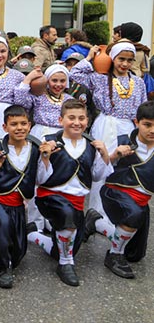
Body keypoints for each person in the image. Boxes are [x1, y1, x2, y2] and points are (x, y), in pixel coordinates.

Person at [28, 99, 112, 286]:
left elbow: (97, 176)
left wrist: (105, 154)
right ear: (61, 120)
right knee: (67, 226)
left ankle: (32, 235)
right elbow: (40, 179)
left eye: (81, 118)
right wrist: (45, 156)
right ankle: (65, 265)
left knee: (66, 246)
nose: (77, 122)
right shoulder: (50, 141)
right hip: (50, 196)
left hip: (77, 202)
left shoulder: (91, 145)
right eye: (71, 118)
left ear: (87, 121)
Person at [70, 42, 146, 215]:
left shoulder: (138, 82)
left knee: (124, 167)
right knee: (103, 164)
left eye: (129, 60)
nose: (125, 64)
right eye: (121, 59)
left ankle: (118, 211)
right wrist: (90, 57)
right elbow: (74, 73)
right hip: (106, 124)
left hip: (128, 127)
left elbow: (142, 109)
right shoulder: (100, 78)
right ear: (112, 58)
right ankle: (96, 211)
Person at [87, 101, 154, 279]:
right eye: (147, 125)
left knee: (135, 255)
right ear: (136, 122)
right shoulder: (123, 141)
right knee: (133, 216)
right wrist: (115, 154)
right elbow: (99, 171)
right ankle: (114, 255)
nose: (152, 130)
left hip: (141, 201)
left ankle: (96, 223)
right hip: (116, 192)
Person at [0, 105, 40, 288]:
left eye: (23, 123)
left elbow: (40, 177)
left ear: (30, 125)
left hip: (17, 203)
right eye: (14, 124)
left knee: (18, 249)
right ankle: (1, 267)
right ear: (5, 127)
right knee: (2, 227)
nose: (19, 128)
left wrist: (45, 158)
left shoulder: (35, 148)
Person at [15, 64, 74, 140]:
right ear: (47, 81)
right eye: (54, 80)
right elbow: (20, 101)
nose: (58, 84)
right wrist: (28, 79)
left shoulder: (69, 99)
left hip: (62, 135)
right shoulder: (38, 96)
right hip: (40, 134)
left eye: (62, 81)